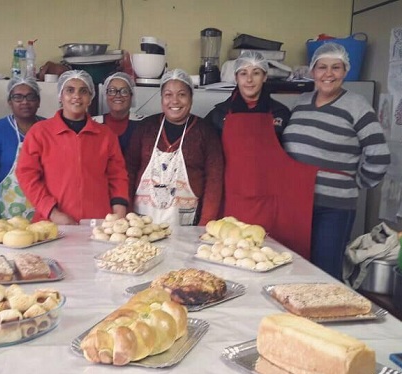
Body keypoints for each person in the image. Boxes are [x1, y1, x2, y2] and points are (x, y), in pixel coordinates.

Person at [282, 42, 390, 280]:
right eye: (322, 67)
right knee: (292, 267)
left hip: (333, 207)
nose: (328, 74)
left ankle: (325, 316)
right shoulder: (300, 102)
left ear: (345, 71)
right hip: (297, 202)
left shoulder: (357, 105)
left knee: (324, 273)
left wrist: (356, 183)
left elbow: (379, 155)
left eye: (336, 68)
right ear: (312, 71)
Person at [204, 50, 315, 259]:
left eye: (256, 73)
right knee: (230, 257)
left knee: (266, 258)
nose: (249, 79)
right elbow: (208, 160)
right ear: (236, 77)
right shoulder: (219, 115)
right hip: (230, 200)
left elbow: (293, 159)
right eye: (243, 73)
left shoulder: (280, 114)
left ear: (265, 77)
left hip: (269, 202)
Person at [16, 70, 129, 224]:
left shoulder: (105, 135)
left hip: (97, 223)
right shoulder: (40, 133)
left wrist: (119, 211)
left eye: (83, 91)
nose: (77, 96)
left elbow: (118, 175)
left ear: (90, 98)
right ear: (60, 96)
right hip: (52, 223)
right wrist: (53, 213)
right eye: (70, 90)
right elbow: (27, 176)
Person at [126, 69, 224, 226]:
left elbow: (214, 179)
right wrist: (128, 211)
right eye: (168, 95)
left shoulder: (205, 132)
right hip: (141, 222)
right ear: (162, 98)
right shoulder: (146, 128)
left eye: (182, 94)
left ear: (191, 98)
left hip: (186, 224)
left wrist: (205, 222)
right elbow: (129, 170)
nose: (175, 101)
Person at [0, 76, 45, 225]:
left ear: (38, 101)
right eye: (18, 97)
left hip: (45, 213)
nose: (25, 102)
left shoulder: (48, 129)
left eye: (30, 97)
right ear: (10, 102)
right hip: (7, 216)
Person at [92, 72, 144, 156]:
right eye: (112, 91)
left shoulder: (144, 124)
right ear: (106, 95)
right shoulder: (92, 123)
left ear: (131, 96)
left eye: (124, 91)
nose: (118, 95)